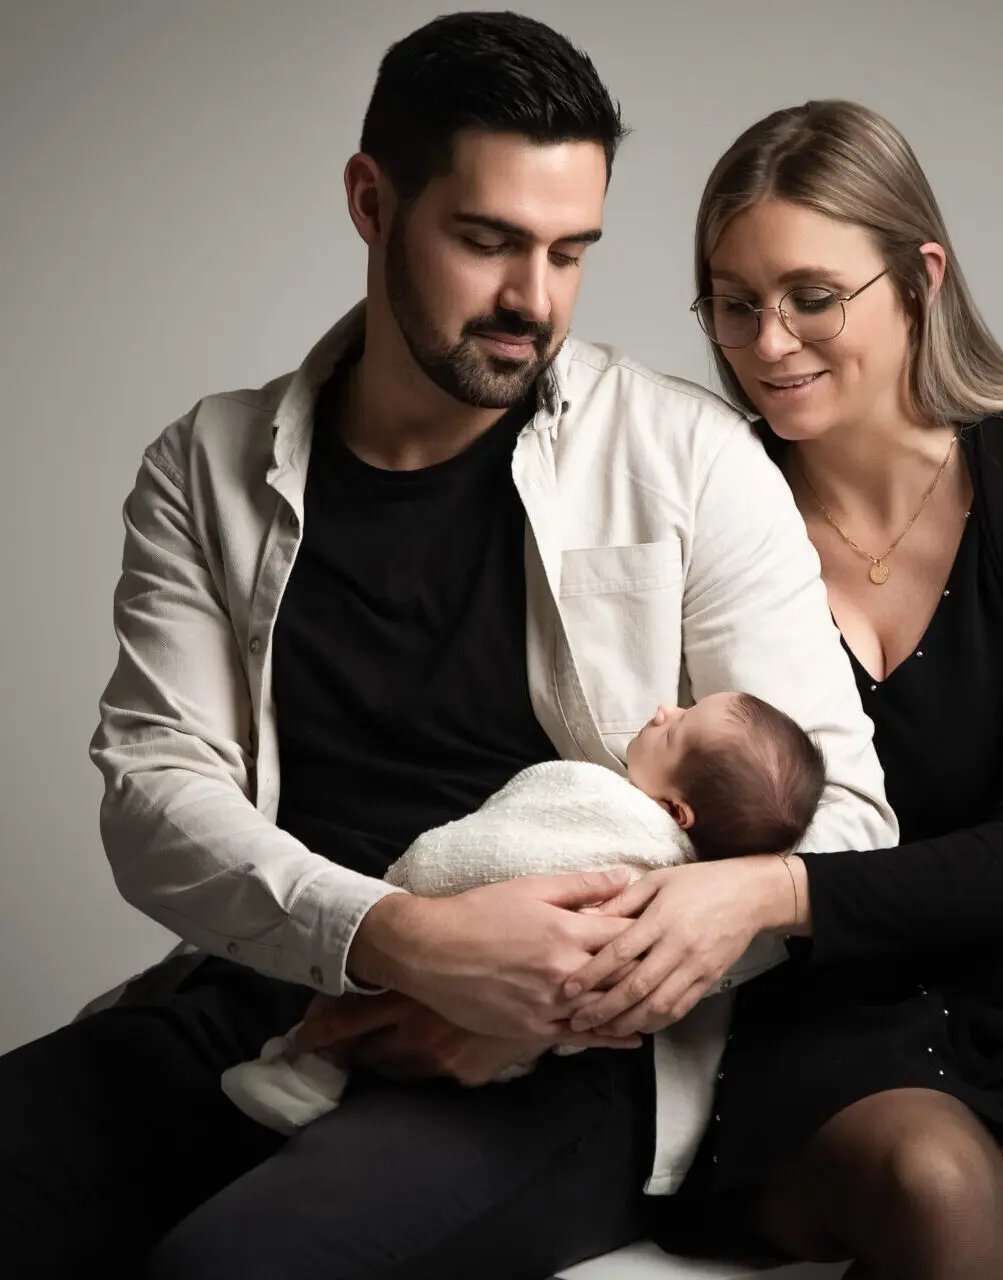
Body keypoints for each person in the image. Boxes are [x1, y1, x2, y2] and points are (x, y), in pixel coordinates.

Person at [0, 21, 897, 1277]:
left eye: (569, 251)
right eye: (486, 241)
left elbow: (843, 817)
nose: (533, 298)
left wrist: (547, 990)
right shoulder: (205, 466)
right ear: (373, 202)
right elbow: (157, 793)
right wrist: (401, 943)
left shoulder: (685, 456)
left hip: (547, 1069)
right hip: (265, 989)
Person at [563, 100, 1003, 1280]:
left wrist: (766, 885)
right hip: (820, 1039)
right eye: (732, 301)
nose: (766, 343)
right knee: (935, 1177)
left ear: (918, 277)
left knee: (991, 1215)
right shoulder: (713, 503)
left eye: (812, 295)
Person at [221, 692, 826, 1134]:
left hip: (515, 1017)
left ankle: (307, 1068)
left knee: (357, 1010)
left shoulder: (619, 826)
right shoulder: (641, 832)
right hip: (480, 1002)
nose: (665, 709)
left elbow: (504, 846)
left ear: (676, 811)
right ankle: (315, 1071)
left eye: (678, 729)